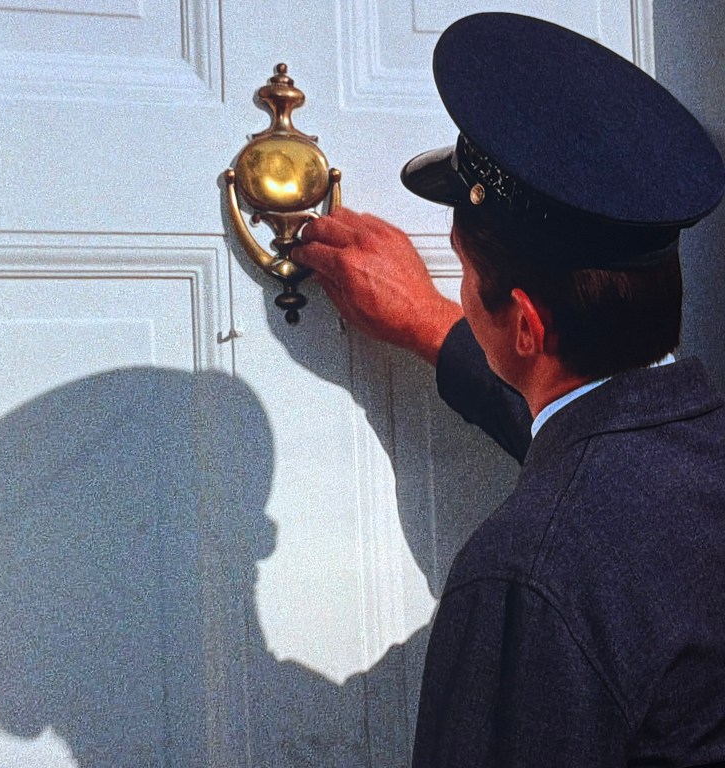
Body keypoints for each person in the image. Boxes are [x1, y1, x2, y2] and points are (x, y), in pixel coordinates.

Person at [294, 12, 725, 768]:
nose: (452, 291)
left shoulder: (525, 577)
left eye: (460, 273)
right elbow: (612, 463)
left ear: (524, 322)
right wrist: (433, 325)